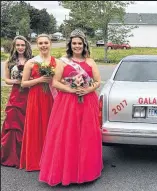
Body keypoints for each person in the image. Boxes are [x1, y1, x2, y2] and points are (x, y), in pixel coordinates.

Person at [39, 29, 103, 186]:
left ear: (84, 44)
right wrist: (72, 90)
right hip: (67, 103)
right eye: (74, 43)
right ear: (70, 45)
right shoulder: (62, 61)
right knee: (68, 134)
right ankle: (66, 171)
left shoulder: (90, 62)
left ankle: (86, 170)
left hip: (87, 102)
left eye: (79, 43)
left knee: (86, 135)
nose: (77, 46)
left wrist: (87, 89)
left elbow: (97, 81)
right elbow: (55, 82)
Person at [19, 34, 57, 171]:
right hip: (35, 98)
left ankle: (50, 159)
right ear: (37, 44)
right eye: (40, 43)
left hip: (52, 98)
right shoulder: (31, 62)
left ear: (50, 43)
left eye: (46, 42)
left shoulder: (57, 62)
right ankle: (35, 160)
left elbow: (59, 81)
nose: (43, 45)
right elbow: (23, 83)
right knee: (36, 127)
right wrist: (39, 80)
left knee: (50, 127)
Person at [1, 36, 32, 168]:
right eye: (18, 45)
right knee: (13, 123)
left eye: (22, 45)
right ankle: (11, 156)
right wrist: (17, 81)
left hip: (29, 94)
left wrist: (26, 81)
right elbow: (6, 80)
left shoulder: (32, 60)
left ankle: (26, 155)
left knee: (27, 122)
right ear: (14, 46)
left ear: (26, 46)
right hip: (16, 94)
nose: (20, 47)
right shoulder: (9, 61)